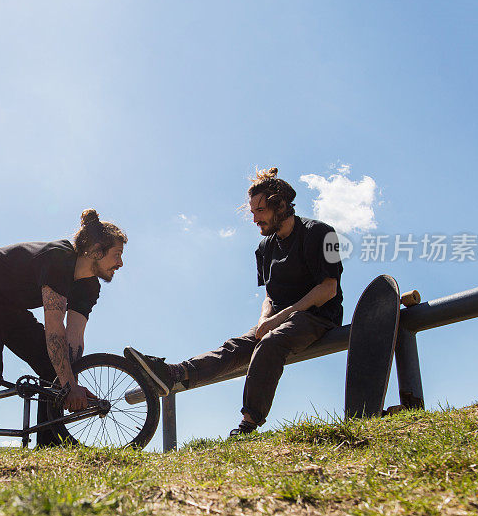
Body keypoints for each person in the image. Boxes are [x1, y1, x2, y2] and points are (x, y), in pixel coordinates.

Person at [125, 167, 343, 437]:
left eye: (260, 211)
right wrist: (265, 318)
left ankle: (248, 424)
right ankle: (173, 372)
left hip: (318, 316)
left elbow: (329, 288)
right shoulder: (264, 248)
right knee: (234, 346)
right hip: (278, 319)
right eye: (252, 213)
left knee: (270, 342)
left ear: (282, 206)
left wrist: (278, 319)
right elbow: (270, 296)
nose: (255, 220)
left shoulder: (322, 233)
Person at [0, 209, 126, 449]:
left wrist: (71, 382)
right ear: (96, 250)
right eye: (117, 254)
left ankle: (49, 445)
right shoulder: (59, 259)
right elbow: (54, 329)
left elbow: (73, 337)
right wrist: (69, 386)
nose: (120, 263)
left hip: (10, 305)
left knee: (53, 369)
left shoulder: (89, 287)